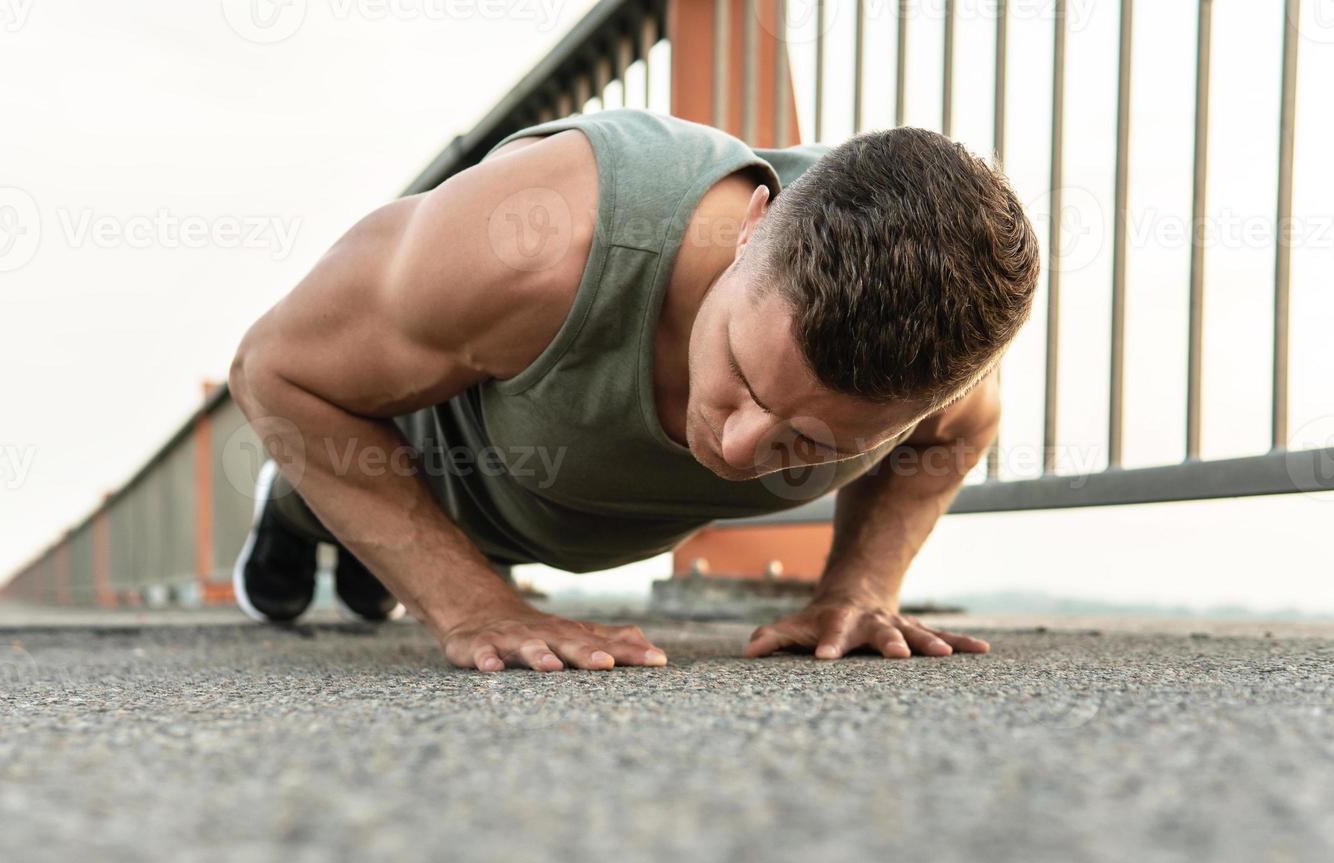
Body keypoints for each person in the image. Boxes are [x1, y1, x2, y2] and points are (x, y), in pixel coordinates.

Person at [227, 108, 1040, 672]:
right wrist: (468, 604)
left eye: (813, 443)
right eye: (745, 376)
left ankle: (387, 567)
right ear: (751, 226)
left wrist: (859, 589)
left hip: (573, 509)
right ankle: (294, 512)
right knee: (332, 498)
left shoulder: (932, 372)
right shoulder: (539, 239)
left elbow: (959, 435)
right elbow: (275, 369)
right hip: (433, 468)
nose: (737, 449)